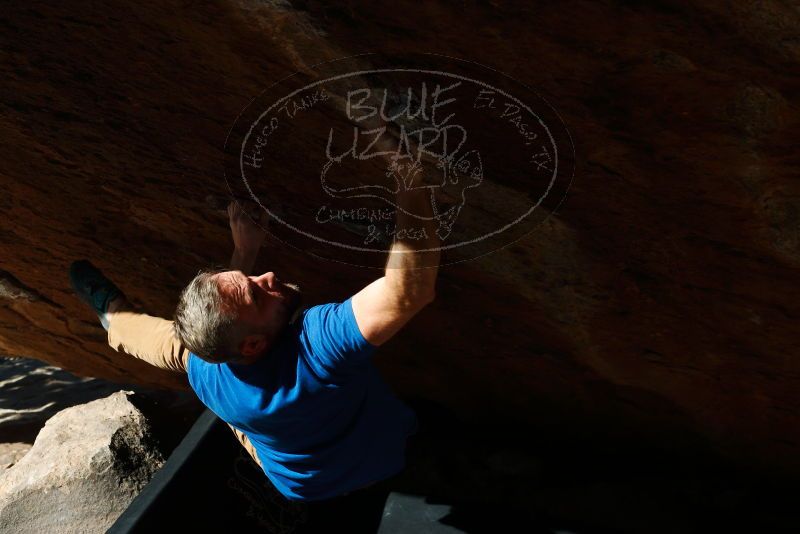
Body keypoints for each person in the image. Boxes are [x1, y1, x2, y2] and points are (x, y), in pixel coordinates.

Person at [69, 177, 441, 502]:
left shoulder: (205, 368)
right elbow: (409, 290)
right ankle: (117, 321)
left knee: (175, 346)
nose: (269, 275)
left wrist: (244, 252)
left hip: (294, 482)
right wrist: (408, 176)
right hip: (382, 457)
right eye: (257, 294)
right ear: (253, 345)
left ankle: (115, 319)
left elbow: (226, 326)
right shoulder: (316, 352)